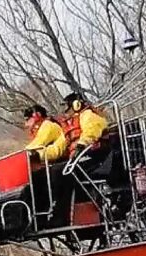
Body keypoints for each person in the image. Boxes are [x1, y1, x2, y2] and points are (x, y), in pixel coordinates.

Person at [44, 92, 110, 228]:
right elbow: (58, 147)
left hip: (95, 157)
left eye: (67, 108)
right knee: (50, 172)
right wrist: (40, 154)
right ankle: (52, 211)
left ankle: (62, 214)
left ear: (76, 105)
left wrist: (81, 145)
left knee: (60, 173)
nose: (65, 112)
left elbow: (92, 132)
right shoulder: (70, 124)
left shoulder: (88, 116)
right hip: (79, 158)